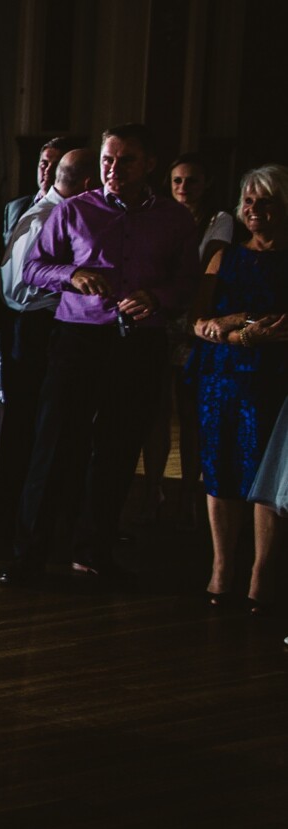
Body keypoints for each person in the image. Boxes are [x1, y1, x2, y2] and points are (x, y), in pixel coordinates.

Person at [3, 123, 199, 584]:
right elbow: (33, 267)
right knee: (54, 446)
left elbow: (187, 283)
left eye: (125, 160)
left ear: (149, 164)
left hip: (140, 343)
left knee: (118, 449)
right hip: (78, 339)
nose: (113, 169)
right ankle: (29, 555)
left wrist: (156, 297)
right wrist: (71, 275)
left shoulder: (174, 219)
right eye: (108, 160)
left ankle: (92, 553)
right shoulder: (74, 210)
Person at [189, 164, 288, 613]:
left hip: (274, 379)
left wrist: (237, 328)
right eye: (248, 201)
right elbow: (197, 320)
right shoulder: (224, 255)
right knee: (219, 469)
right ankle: (221, 568)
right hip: (221, 376)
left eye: (265, 201)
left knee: (267, 473)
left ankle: (260, 574)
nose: (254, 210)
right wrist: (239, 329)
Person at [0, 148, 99, 546]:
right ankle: (19, 519)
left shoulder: (53, 212)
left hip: (32, 324)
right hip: (32, 325)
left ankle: (22, 517)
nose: (46, 170)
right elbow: (19, 282)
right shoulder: (42, 215)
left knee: (32, 424)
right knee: (30, 425)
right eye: (42, 162)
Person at [141, 154, 236, 523]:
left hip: (192, 317)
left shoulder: (218, 219)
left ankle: (188, 492)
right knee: (155, 409)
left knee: (190, 411)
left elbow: (206, 266)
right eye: (177, 180)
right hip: (158, 314)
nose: (183, 188)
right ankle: (153, 488)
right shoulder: (159, 214)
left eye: (191, 180)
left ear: (206, 183)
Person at [0, 136, 76, 247]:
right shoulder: (14, 207)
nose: (48, 170)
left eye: (56, 166)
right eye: (44, 164)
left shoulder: (73, 210)